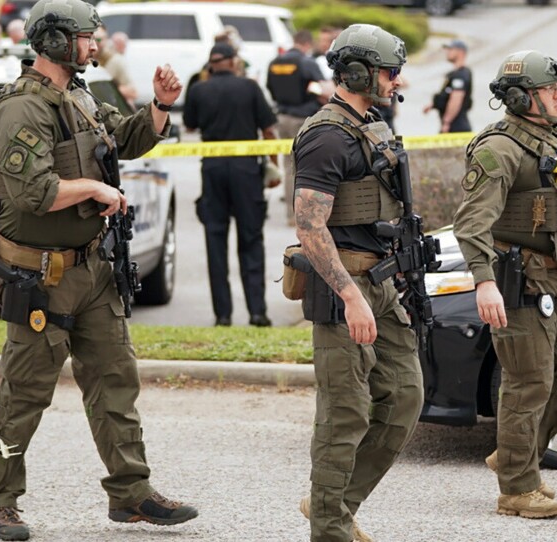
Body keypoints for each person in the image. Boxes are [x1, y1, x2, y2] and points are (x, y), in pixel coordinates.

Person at [0, 0, 197, 539]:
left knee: (116, 380)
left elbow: (124, 139)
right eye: (86, 37)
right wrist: (96, 188)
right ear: (54, 41)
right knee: (25, 391)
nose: (95, 45)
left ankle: (131, 494)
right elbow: (34, 193)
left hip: (93, 270)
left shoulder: (79, 95)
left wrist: (161, 106)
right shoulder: (21, 108)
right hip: (38, 276)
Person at [453, 50, 557, 520]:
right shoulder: (499, 149)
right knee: (529, 383)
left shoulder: (553, 140)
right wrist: (484, 283)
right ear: (523, 97)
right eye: (551, 90)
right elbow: (471, 224)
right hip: (521, 281)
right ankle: (517, 487)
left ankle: (513, 456)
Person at [292, 23, 423, 541]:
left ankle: (334, 505)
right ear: (358, 72)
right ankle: (329, 528)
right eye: (390, 71)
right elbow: (308, 225)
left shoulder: (371, 125)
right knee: (344, 414)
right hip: (343, 287)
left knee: (406, 398)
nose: (396, 81)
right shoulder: (327, 136)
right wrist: (350, 295)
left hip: (383, 284)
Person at [183, 43, 279, 328]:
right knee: (251, 240)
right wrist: (272, 167)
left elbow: (189, 125)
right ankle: (257, 312)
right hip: (246, 171)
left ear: (211, 64)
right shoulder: (249, 87)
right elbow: (269, 130)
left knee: (215, 241)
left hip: (212, 169)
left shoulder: (199, 89)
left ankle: (222, 315)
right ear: (234, 61)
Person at [266, 29, 328, 225]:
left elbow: (271, 89)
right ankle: (304, 215)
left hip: (282, 117)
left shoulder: (275, 62)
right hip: (303, 119)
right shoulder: (307, 62)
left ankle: (291, 216)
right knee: (306, 167)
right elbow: (322, 88)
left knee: (289, 165)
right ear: (307, 44)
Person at [424, 39, 472, 133]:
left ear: (460, 52)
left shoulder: (461, 75)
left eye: (451, 49)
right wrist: (433, 105)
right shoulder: (455, 74)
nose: (447, 52)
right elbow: (447, 95)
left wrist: (447, 122)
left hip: (457, 127)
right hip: (453, 125)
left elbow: (456, 99)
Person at [94, 24, 138, 104]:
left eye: (100, 40)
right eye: (91, 38)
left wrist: (110, 89)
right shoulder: (81, 60)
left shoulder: (114, 61)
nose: (96, 43)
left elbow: (133, 93)